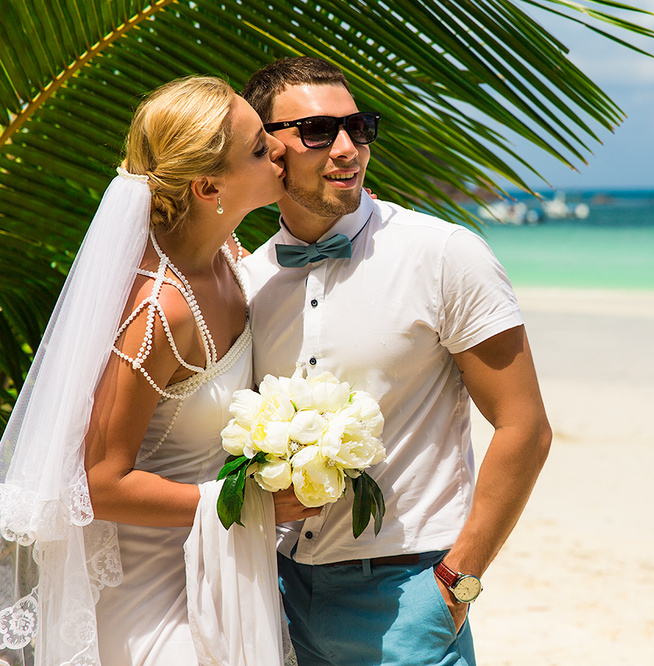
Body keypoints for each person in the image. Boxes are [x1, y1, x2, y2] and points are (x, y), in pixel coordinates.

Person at [240, 57, 552, 666]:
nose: (345, 148)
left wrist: (458, 582)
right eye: (316, 131)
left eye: (358, 128)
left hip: (408, 596)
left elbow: (525, 427)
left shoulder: (443, 255)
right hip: (270, 591)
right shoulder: (247, 281)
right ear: (267, 146)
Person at [0, 75, 315, 665]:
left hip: (219, 576)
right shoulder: (155, 313)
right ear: (207, 186)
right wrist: (246, 504)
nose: (280, 148)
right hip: (153, 597)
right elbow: (97, 483)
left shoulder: (227, 256)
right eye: (258, 146)